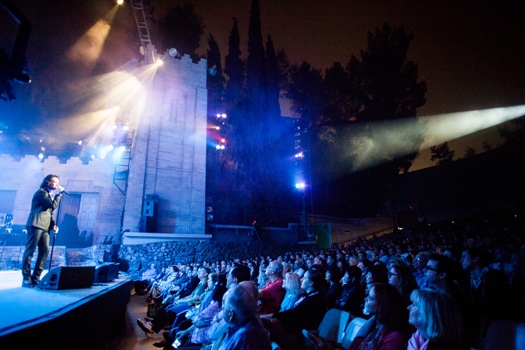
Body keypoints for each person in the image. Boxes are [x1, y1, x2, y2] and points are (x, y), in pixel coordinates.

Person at [22, 174, 65, 288]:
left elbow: (50, 212)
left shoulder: (49, 195)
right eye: (54, 182)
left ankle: (36, 277)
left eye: (57, 182)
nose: (57, 184)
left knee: (44, 250)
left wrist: (53, 225)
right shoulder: (41, 192)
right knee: (30, 251)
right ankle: (26, 278)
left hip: (45, 227)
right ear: (47, 182)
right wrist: (60, 195)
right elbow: (52, 205)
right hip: (36, 224)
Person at [348, 283, 409, 350]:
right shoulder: (374, 323)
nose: (366, 299)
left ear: (383, 305)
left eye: (370, 298)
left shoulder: (395, 337)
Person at [219, 284, 272, 349]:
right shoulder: (249, 325)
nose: (222, 310)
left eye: (223, 307)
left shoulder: (244, 338)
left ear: (231, 314)